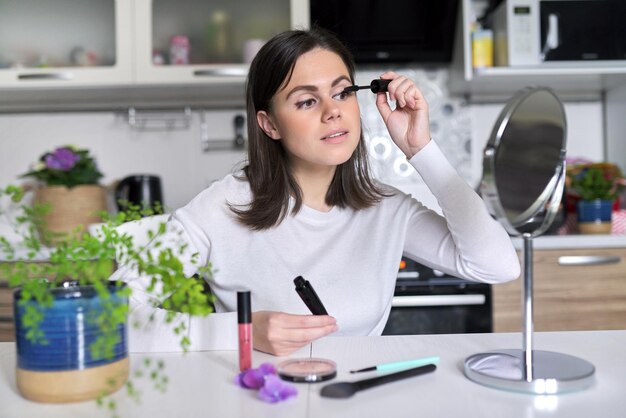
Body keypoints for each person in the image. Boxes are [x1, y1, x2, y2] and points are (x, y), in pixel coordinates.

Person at [117, 27, 520, 356]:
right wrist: (242, 332)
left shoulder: (386, 208)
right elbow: (111, 319)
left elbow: (497, 266)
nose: (334, 111)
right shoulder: (222, 209)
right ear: (269, 124)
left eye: (343, 92)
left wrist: (421, 149)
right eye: (307, 101)